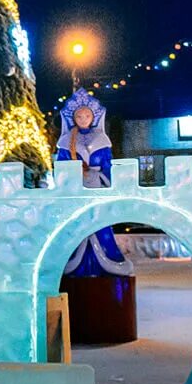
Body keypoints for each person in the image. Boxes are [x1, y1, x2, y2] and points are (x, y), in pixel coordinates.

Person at [57, 89, 133, 283]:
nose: (83, 119)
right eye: (79, 116)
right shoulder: (66, 142)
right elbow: (62, 167)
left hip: (98, 187)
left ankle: (108, 261)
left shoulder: (102, 140)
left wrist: (111, 185)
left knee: (100, 225)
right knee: (78, 225)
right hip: (77, 190)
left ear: (94, 117)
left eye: (87, 115)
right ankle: (75, 264)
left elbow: (107, 165)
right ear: (73, 118)